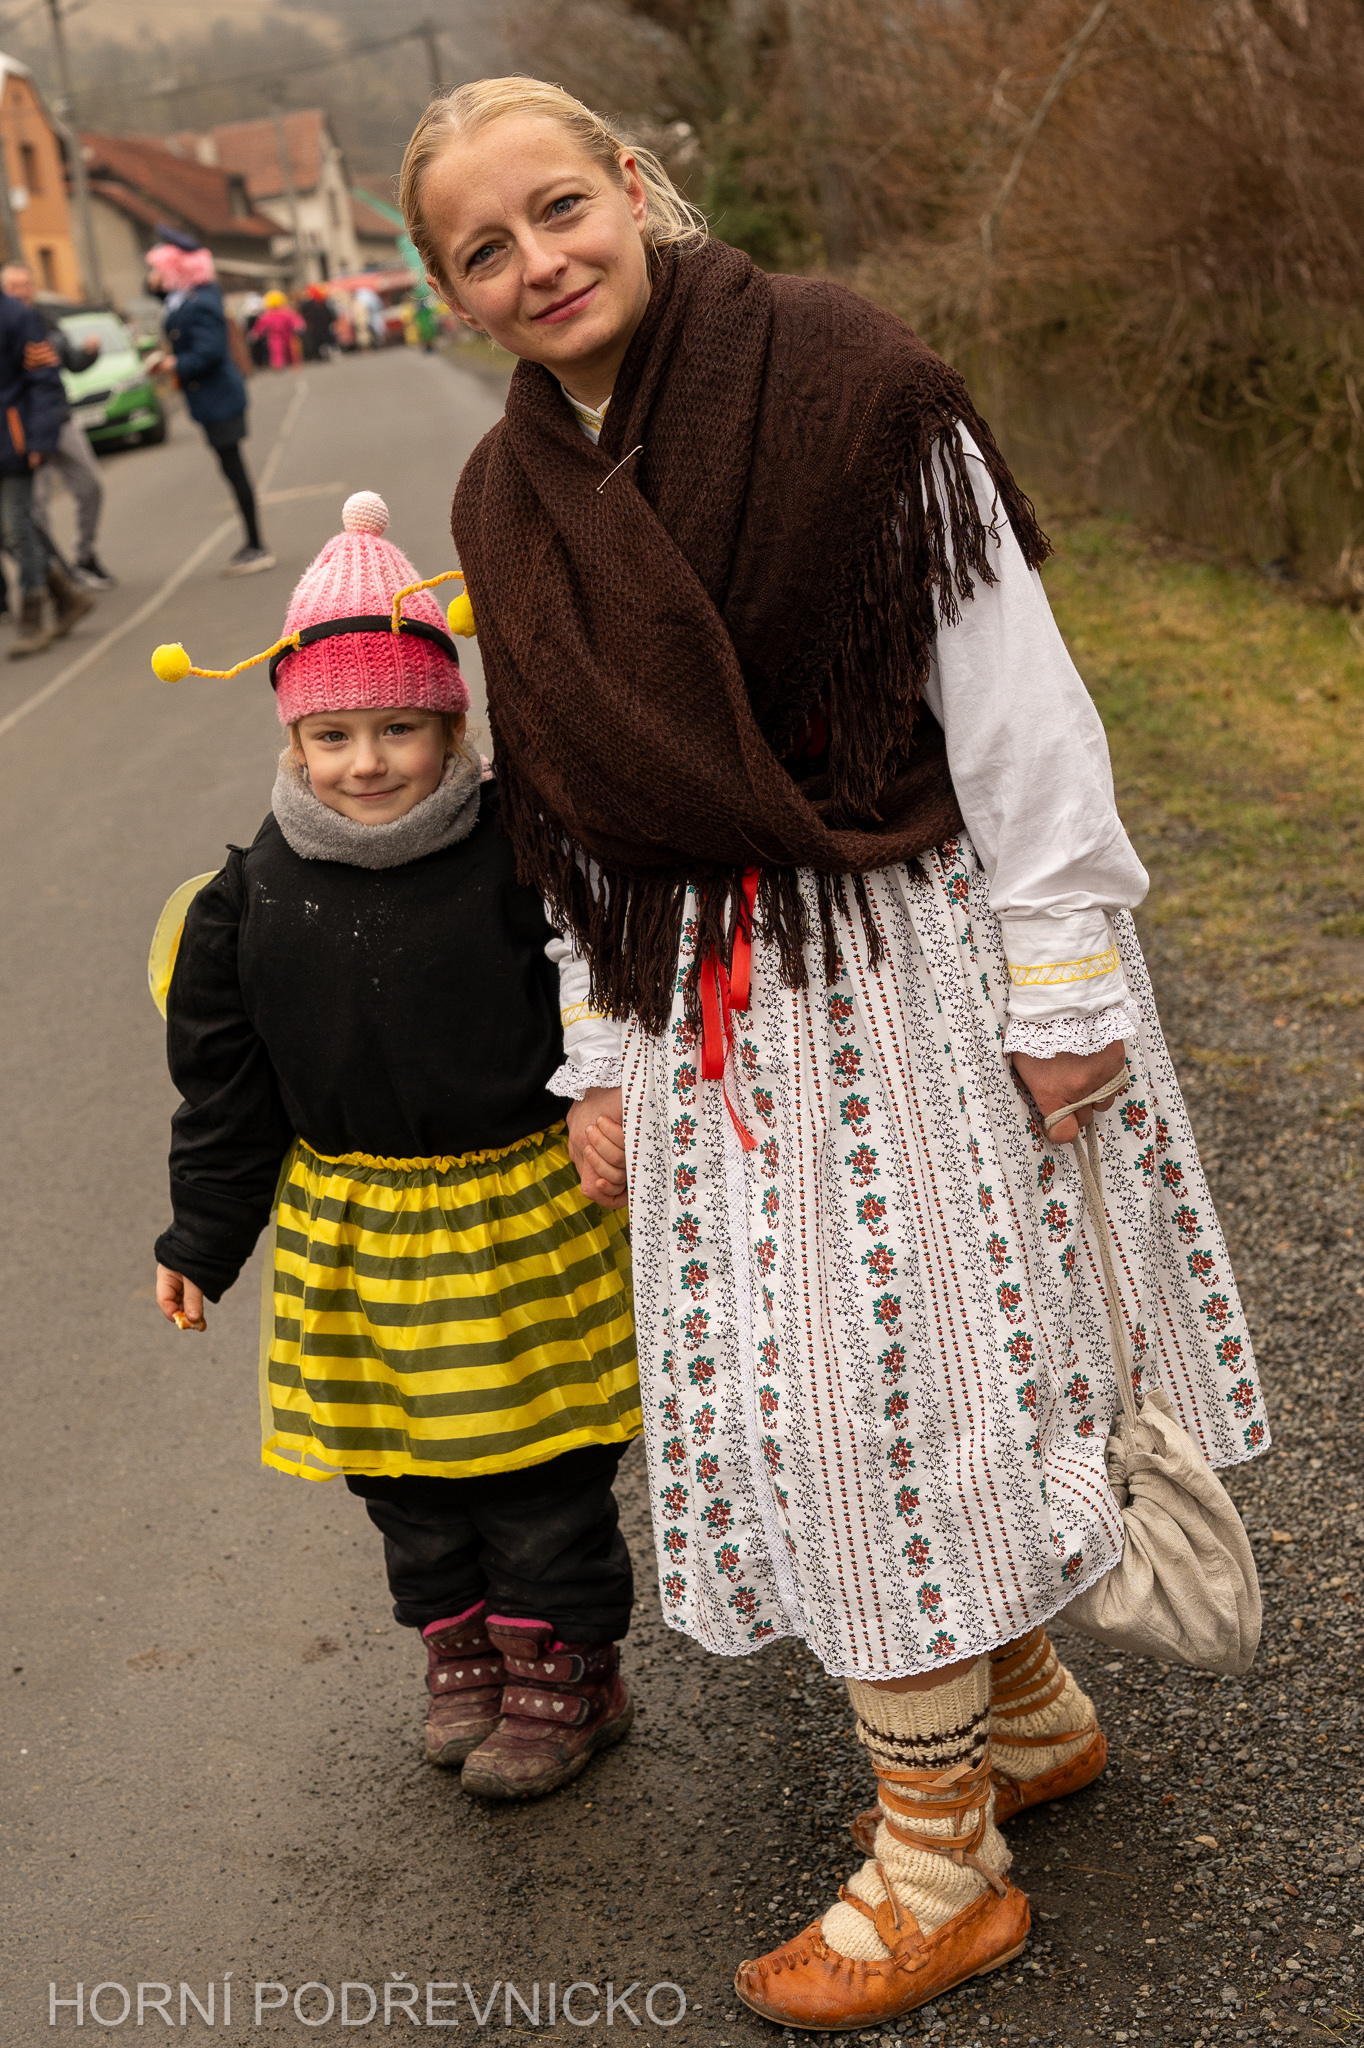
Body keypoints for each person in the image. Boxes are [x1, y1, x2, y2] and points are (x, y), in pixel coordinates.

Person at [402, 79, 1272, 2026]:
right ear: (453, 293)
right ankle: (1020, 1711)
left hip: (912, 967)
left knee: (883, 1404)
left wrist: (1063, 983)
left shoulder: (845, 377)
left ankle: (940, 1861)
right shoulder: (503, 501)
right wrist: (598, 1049)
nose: (539, 260)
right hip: (705, 1008)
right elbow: (564, 806)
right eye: (485, 248)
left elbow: (1015, 694)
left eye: (560, 206)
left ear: (633, 184)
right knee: (828, 1394)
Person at [149, 490, 639, 1801]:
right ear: (293, 737)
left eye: (399, 729)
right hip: (355, 1233)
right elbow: (226, 1096)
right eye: (334, 734)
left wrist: (609, 1102)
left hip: (519, 1217)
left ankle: (566, 1667)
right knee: (403, 1473)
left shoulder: (521, 856)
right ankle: (462, 1650)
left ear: (453, 726)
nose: (366, 762)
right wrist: (201, 1239)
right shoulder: (244, 903)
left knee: (539, 1465)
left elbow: (603, 989)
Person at [145, 241, 273, 577]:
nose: (154, 276)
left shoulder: (199, 301)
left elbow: (209, 351)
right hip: (213, 398)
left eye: (160, 269)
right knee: (231, 468)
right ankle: (253, 542)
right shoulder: (190, 296)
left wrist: (174, 363)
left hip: (218, 398)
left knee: (235, 470)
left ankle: (256, 544)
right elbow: (162, 299)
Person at [1, 261, 116, 590]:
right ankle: (61, 576)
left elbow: (65, 364)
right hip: (21, 432)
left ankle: (85, 555)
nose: (22, 291)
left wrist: (89, 354)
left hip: (59, 421)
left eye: (26, 284)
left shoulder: (43, 319)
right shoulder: (10, 320)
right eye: (14, 286)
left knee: (91, 485)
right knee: (33, 510)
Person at [0, 270, 92, 655]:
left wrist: (38, 438)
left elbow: (44, 378)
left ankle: (32, 618)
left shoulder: (16, 316)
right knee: (9, 532)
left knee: (18, 529)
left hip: (14, 442)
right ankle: (67, 596)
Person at [252, 288, 305, 369]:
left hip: (287, 334)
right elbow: (260, 325)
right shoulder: (281, 312)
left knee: (289, 348)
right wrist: (256, 333)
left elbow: (295, 320)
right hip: (276, 335)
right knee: (277, 349)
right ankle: (279, 363)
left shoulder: (282, 312)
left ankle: (290, 362)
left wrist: (298, 325)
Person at [299, 282, 335, 361]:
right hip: (317, 326)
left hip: (319, 326)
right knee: (318, 341)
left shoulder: (318, 303)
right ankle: (319, 354)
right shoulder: (314, 303)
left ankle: (321, 354)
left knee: (320, 340)